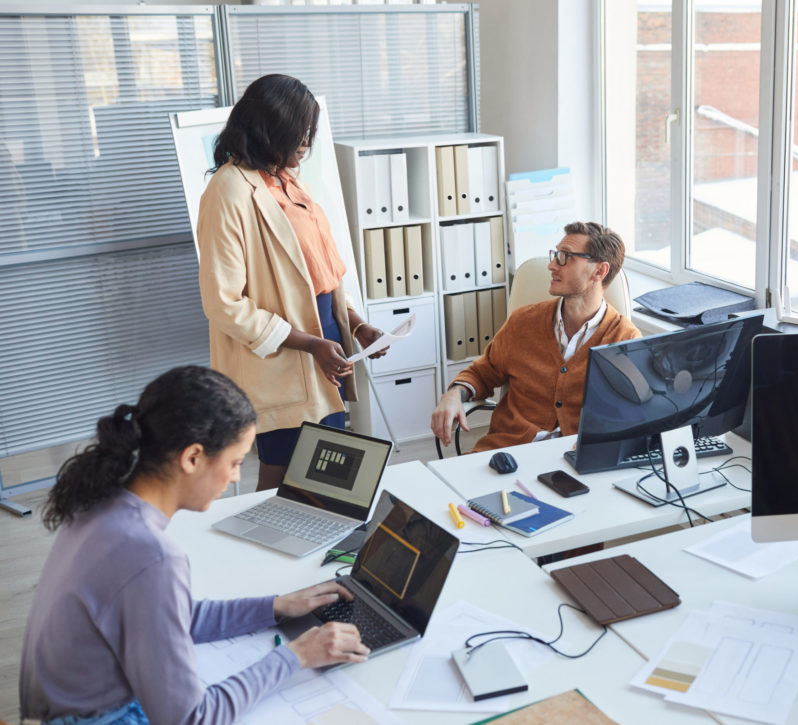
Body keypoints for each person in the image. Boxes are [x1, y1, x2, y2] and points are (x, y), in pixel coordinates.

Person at [20, 366, 369, 725]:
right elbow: (190, 718)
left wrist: (277, 606)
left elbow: (177, 617)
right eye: (234, 463)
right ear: (192, 457)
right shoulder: (151, 555)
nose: (236, 476)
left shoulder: (102, 504)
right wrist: (297, 655)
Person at [197, 74, 385, 491]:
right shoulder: (228, 190)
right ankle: (263, 551)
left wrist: (356, 324)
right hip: (282, 353)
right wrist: (309, 343)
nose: (306, 141)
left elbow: (321, 272)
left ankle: (313, 544)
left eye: (310, 131)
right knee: (283, 471)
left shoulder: (288, 179)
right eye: (299, 131)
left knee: (323, 466)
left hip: (326, 341)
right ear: (269, 127)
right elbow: (223, 302)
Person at [431, 221, 640, 452]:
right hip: (508, 452)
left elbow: (636, 411)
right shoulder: (523, 322)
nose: (552, 265)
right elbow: (482, 373)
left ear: (599, 271)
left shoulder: (625, 339)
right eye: (555, 254)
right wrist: (453, 395)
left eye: (565, 257)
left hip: (576, 461)